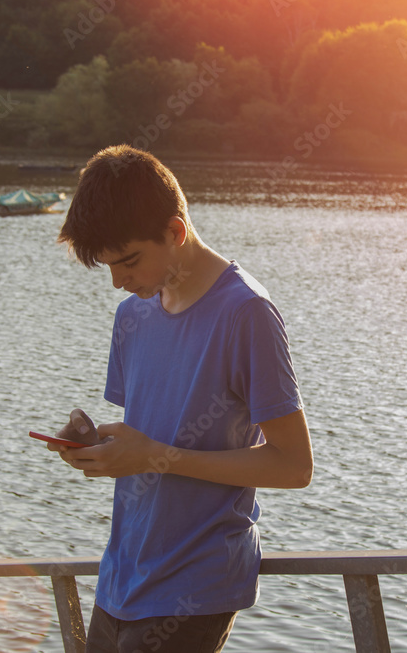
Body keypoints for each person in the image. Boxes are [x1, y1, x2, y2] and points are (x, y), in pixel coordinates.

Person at [52, 144, 313, 653]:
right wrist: (98, 447)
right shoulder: (132, 315)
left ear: (175, 232)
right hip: (120, 580)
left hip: (193, 589)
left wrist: (154, 457)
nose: (118, 281)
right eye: (108, 266)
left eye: (128, 262)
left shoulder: (247, 314)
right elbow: (152, 434)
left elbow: (294, 466)